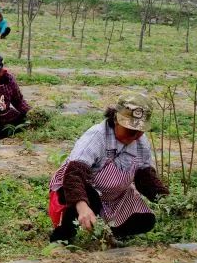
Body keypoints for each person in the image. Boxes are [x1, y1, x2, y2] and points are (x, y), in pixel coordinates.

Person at [48, 93, 169, 244]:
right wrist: (82, 207)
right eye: (130, 130)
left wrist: (166, 200)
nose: (135, 136)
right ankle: (64, 236)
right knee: (91, 200)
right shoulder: (96, 136)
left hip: (113, 196)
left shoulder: (140, 142)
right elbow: (74, 175)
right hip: (77, 190)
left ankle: (106, 234)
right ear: (116, 120)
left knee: (145, 220)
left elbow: (144, 177)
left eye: (140, 131)